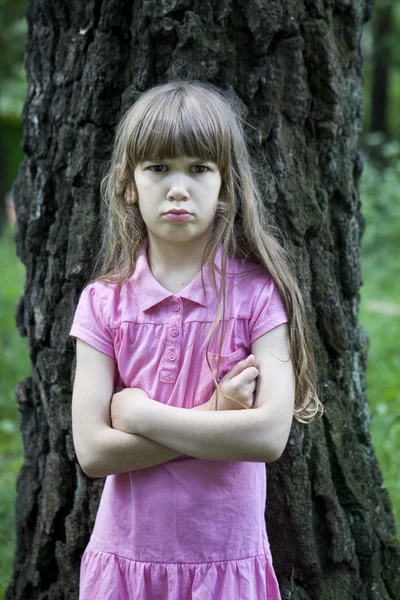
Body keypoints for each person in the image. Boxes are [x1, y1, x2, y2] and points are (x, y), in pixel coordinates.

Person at [69, 80, 323, 600]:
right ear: (127, 184)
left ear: (226, 185)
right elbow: (93, 451)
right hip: (127, 565)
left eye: (199, 168)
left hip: (224, 566)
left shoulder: (256, 297)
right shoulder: (102, 303)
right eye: (158, 168)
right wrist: (217, 418)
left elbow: (268, 437)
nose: (178, 188)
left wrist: (139, 416)